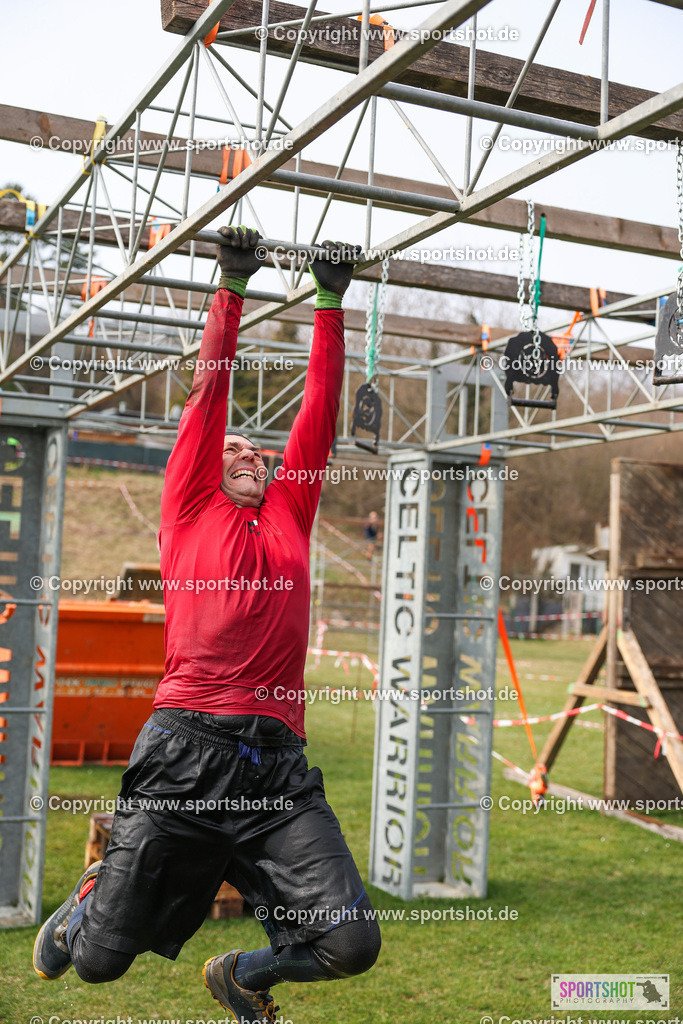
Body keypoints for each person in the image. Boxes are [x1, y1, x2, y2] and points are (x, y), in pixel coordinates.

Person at [33, 227, 381, 1024]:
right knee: (97, 966)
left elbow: (319, 414)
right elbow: (209, 395)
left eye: (260, 452)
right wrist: (231, 287)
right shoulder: (190, 502)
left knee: (350, 943)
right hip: (185, 752)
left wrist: (330, 300)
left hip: (275, 769)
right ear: (204, 465)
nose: (252, 453)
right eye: (236, 449)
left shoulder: (290, 511)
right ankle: (87, 905)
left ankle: (242, 974)